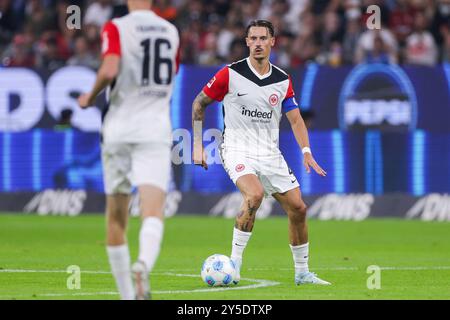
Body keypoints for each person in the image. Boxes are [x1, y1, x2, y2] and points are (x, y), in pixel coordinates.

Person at [192, 20, 330, 286]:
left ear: (272, 42)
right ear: (246, 42)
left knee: (299, 209)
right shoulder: (229, 74)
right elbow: (199, 103)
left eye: (262, 38)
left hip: (269, 152)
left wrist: (306, 151)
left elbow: (296, 119)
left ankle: (302, 273)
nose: (257, 43)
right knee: (254, 194)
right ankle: (234, 264)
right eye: (252, 38)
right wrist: (197, 144)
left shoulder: (282, 79)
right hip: (236, 148)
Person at [77, 0, 179, 299]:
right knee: (152, 210)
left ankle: (125, 295)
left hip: (119, 128)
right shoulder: (171, 31)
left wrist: (89, 96)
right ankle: (144, 263)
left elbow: (109, 69)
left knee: (116, 217)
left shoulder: (116, 27)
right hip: (154, 128)